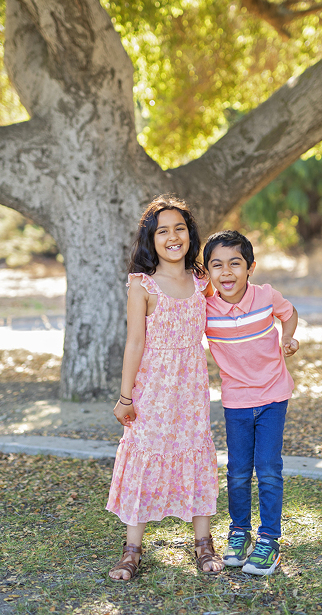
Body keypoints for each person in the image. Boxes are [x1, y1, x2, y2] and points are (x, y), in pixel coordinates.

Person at [106, 195, 223, 581]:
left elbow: (227, 314)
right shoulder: (143, 285)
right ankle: (132, 549)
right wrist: (126, 397)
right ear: (151, 240)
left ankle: (203, 543)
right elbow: (135, 342)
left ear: (190, 234)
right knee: (146, 456)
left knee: (194, 451)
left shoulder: (202, 281)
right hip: (152, 389)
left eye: (180, 228)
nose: (173, 237)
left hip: (190, 390)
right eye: (163, 231)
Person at [203, 230, 299, 576]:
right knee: (239, 471)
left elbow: (290, 313)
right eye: (216, 265)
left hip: (273, 396)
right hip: (236, 401)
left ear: (250, 268)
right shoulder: (206, 308)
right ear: (207, 272)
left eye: (234, 264)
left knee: (269, 469)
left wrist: (288, 338)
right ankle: (239, 533)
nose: (226, 272)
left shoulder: (266, 296)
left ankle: (270, 539)